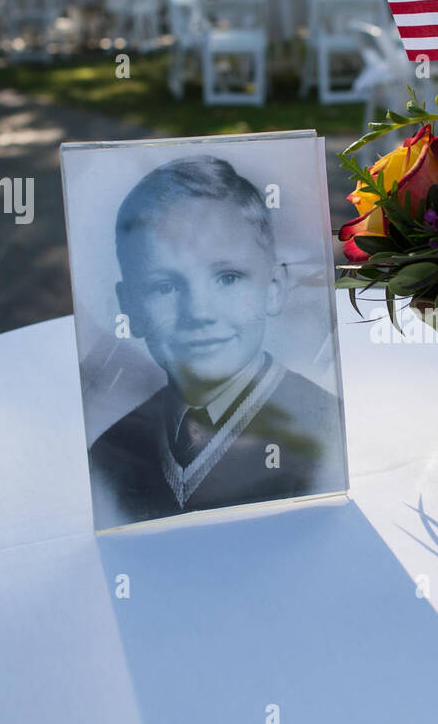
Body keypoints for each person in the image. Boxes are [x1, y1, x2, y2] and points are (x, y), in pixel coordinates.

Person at [88, 155, 345, 528]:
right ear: (130, 306)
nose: (198, 312)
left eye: (227, 278)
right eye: (164, 286)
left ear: (273, 288)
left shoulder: (325, 439)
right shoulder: (112, 453)